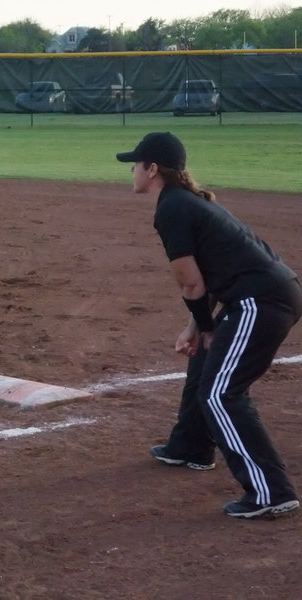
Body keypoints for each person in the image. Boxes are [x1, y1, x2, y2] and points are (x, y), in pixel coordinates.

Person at [116, 131, 302, 519]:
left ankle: (271, 492)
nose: (131, 170)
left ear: (153, 169)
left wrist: (206, 325)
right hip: (261, 294)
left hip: (261, 301)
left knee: (221, 393)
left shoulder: (172, 208)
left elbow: (191, 282)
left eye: (135, 164)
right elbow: (210, 276)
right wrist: (196, 327)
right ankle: (190, 446)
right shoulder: (186, 202)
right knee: (204, 359)